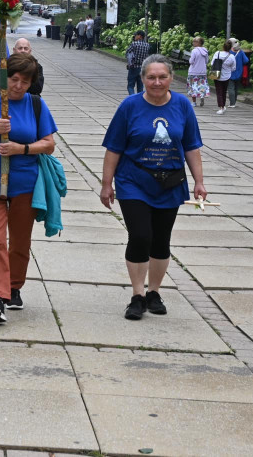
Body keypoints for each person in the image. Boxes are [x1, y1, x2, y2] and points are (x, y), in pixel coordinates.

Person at [100, 54, 206, 320]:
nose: (157, 82)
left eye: (162, 77)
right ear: (143, 78)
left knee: (161, 240)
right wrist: (106, 183)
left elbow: (192, 146)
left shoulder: (182, 106)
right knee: (140, 236)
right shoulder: (129, 106)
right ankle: (137, 295)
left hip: (170, 183)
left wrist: (199, 182)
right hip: (133, 181)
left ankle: (154, 292)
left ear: (171, 78)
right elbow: (114, 148)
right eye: (151, 77)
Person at [0, 53, 57, 324]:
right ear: (3, 79)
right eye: (14, 79)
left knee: (19, 242)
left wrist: (22, 149)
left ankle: (13, 286)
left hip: (25, 185)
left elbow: (48, 144)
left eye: (25, 81)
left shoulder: (37, 105)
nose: (18, 86)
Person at [210, 40, 237, 114]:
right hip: (227, 76)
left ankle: (221, 107)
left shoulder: (217, 53)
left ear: (223, 47)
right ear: (230, 48)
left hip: (216, 74)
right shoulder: (232, 56)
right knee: (224, 91)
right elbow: (233, 68)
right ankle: (223, 106)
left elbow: (212, 63)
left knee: (219, 92)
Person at [186, 37, 210, 107]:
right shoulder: (205, 51)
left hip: (193, 71)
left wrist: (190, 59)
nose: (193, 43)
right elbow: (207, 61)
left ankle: (194, 102)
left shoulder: (194, 51)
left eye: (194, 42)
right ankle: (202, 96)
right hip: (202, 71)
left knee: (193, 86)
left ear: (198, 43)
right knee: (201, 85)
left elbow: (191, 61)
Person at [126, 30, 150, 95]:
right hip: (142, 68)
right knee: (140, 87)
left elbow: (128, 52)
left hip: (133, 67)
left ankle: (133, 98)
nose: (134, 36)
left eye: (135, 35)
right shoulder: (147, 45)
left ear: (139, 36)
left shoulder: (134, 44)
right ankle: (140, 101)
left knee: (130, 86)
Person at [228, 40, 249, 108]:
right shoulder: (241, 52)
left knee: (231, 88)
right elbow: (246, 60)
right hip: (239, 72)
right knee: (236, 88)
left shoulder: (229, 52)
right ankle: (234, 102)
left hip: (230, 72)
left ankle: (232, 103)